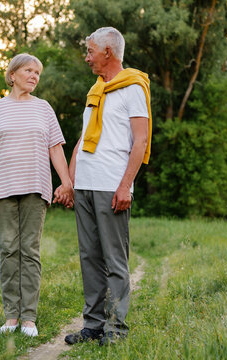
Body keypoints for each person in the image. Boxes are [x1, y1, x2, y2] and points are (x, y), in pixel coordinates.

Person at [63, 27, 152, 346]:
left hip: (111, 184)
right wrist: (69, 181)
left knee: (114, 259)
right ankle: (92, 326)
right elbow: (82, 139)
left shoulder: (133, 88)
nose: (86, 58)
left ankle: (115, 329)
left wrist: (126, 186)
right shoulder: (96, 89)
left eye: (90, 51)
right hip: (85, 183)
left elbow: (140, 142)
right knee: (89, 257)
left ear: (108, 53)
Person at [0, 53, 74, 337]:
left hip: (36, 187)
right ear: (12, 75)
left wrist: (66, 182)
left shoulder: (44, 108)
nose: (34, 76)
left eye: (38, 73)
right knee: (9, 250)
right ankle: (11, 317)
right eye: (29, 71)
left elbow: (55, 148)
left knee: (29, 251)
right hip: (3, 188)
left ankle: (29, 317)